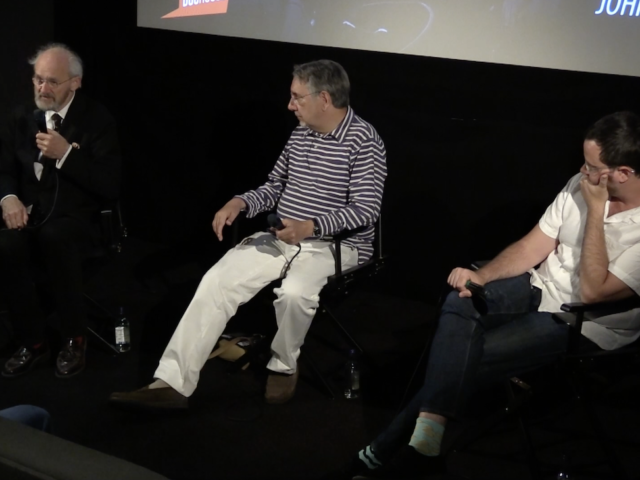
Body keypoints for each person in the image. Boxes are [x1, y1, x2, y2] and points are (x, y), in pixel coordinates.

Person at [324, 110, 640, 480]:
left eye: (592, 167)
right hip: (540, 286)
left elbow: (593, 291)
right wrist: (482, 276)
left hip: (585, 322)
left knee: (463, 359)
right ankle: (423, 448)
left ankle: (382, 452)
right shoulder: (580, 184)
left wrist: (597, 210)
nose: (582, 172)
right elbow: (531, 247)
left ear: (623, 173)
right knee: (461, 299)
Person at [109, 59, 387, 409]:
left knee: (295, 293)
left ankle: (284, 365)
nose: (290, 105)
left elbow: (366, 210)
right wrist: (241, 202)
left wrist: (311, 227)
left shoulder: (364, 141)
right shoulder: (300, 135)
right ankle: (172, 383)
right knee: (217, 281)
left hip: (334, 245)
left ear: (324, 99)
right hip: (283, 236)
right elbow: (274, 187)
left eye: (297, 97)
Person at [0, 44, 121, 379]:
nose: (43, 88)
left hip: (78, 219)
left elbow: (110, 184)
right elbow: (4, 168)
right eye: (38, 79)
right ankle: (33, 341)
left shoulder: (97, 120)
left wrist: (67, 154)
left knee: (55, 238)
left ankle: (74, 338)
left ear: (75, 83)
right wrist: (8, 198)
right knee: (6, 245)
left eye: (52, 81)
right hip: (31, 215)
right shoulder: (21, 115)